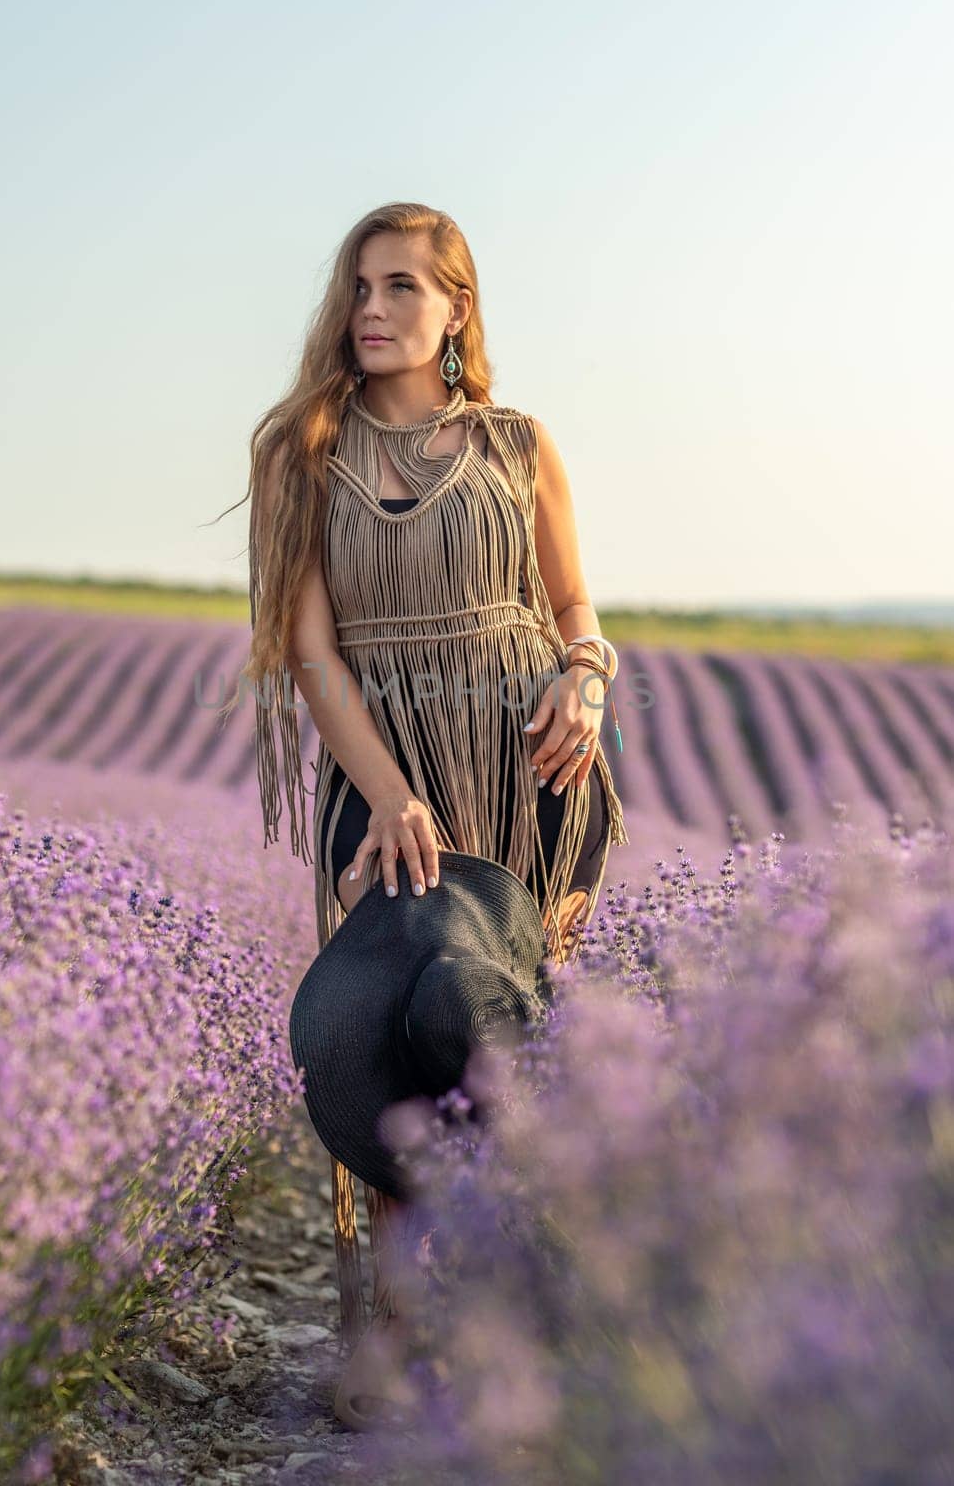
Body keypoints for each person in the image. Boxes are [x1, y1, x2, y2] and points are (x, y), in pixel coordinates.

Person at [215, 201, 629, 1428]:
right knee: (392, 1025)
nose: (375, 309)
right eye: (359, 287)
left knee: (487, 1028)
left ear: (457, 308)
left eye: (403, 286)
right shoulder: (303, 447)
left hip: (528, 772)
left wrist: (587, 679)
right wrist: (389, 789)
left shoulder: (516, 441)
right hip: (384, 775)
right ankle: (398, 1329)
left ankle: (521, 1306)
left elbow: (571, 606)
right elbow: (308, 651)